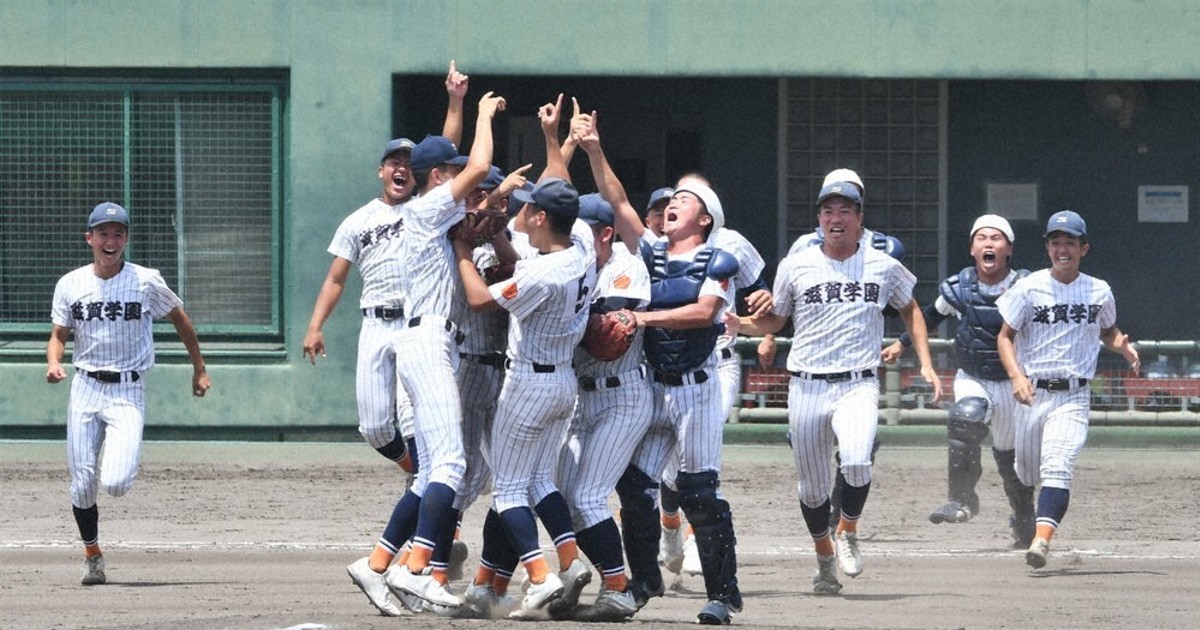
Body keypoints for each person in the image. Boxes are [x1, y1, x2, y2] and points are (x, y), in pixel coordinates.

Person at [574, 105, 744, 626]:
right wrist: (594, 149)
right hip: (654, 391)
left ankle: (723, 593)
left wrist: (643, 321)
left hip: (696, 390)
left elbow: (704, 313)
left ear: (705, 218)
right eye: (670, 200)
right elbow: (618, 201)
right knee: (634, 485)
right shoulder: (650, 253)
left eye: (684, 201)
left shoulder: (717, 260)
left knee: (698, 491)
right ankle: (642, 584)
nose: (672, 204)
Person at [741, 181, 941, 596]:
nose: (836, 218)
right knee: (812, 489)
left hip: (858, 383)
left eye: (845, 210)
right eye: (828, 210)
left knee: (856, 460)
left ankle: (848, 529)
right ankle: (824, 556)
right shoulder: (795, 265)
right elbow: (776, 320)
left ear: (860, 219)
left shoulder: (882, 265)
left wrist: (924, 361)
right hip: (807, 386)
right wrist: (739, 324)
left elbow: (910, 307)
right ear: (819, 220)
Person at [456, 95, 596, 620]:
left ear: (539, 218)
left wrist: (463, 250)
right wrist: (554, 138)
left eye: (529, 208)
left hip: (530, 384)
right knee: (540, 481)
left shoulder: (542, 273)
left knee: (509, 490)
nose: (522, 211)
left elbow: (476, 298)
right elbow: (561, 189)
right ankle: (569, 557)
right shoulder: (578, 244)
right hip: (562, 384)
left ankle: (538, 578)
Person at [369, 90, 505, 613]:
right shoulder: (427, 209)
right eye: (448, 170)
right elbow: (482, 164)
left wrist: (500, 196)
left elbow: (476, 211)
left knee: (435, 470)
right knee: (449, 464)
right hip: (427, 339)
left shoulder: (432, 216)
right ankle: (417, 567)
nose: (457, 176)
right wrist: (484, 116)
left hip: (428, 340)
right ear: (434, 177)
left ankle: (384, 563)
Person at [47, 201, 211, 586]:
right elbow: (58, 335)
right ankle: (92, 554)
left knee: (116, 483)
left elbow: (180, 319)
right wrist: (54, 362)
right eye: (103, 232)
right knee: (83, 481)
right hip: (85, 386)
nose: (111, 239)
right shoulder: (70, 284)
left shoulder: (145, 280)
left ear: (126, 239)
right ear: (89, 238)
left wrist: (199, 367)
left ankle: (112, 485)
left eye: (118, 232)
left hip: (127, 388)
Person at [996, 210, 1139, 569]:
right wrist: (1016, 376)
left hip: (1073, 394)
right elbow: (1005, 337)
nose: (1063, 249)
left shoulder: (1098, 290)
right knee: (1027, 473)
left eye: (1070, 242)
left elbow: (1107, 330)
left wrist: (1122, 344)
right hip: (1033, 393)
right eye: (1056, 242)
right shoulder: (1028, 288)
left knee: (1058, 466)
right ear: (1047, 248)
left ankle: (1041, 542)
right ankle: (1027, 516)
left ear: (1083, 248)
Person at [882, 214, 1035, 545]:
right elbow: (930, 316)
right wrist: (900, 344)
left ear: (1009, 248)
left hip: (1014, 382)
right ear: (971, 248)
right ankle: (962, 499)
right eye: (981, 238)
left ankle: (1024, 518)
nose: (989, 244)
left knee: (1012, 460)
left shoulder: (1027, 286)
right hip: (973, 375)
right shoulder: (960, 287)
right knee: (964, 418)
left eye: (996, 238)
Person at [554, 193, 652, 620]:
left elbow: (610, 338)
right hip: (582, 396)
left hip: (623, 395)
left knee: (590, 497)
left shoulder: (625, 266)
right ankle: (586, 579)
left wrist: (555, 323)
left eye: (580, 233)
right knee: (559, 497)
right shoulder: (570, 266)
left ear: (605, 234)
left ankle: (620, 590)